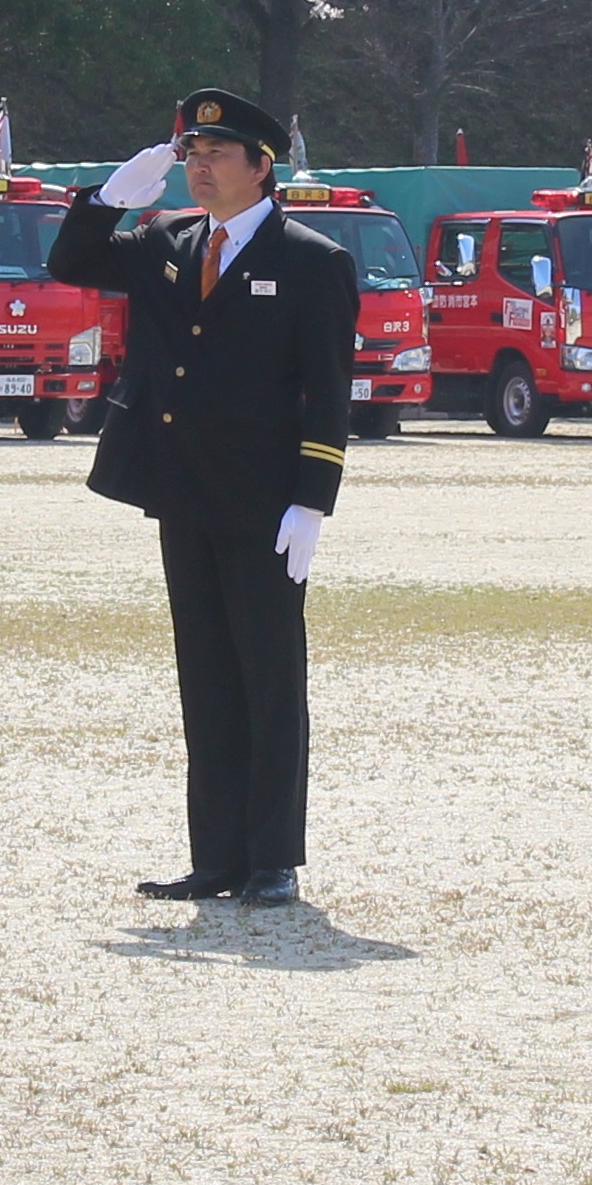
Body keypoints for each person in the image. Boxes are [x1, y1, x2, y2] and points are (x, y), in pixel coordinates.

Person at [49, 90, 356, 907]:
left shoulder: (311, 260)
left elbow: (328, 392)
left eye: (217, 155)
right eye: (191, 155)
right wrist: (107, 200)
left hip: (265, 502)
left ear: (263, 167)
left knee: (268, 675)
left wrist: (312, 499)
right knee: (207, 677)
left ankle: (271, 858)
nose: (199, 168)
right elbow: (70, 265)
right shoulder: (166, 240)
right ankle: (215, 856)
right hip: (181, 489)